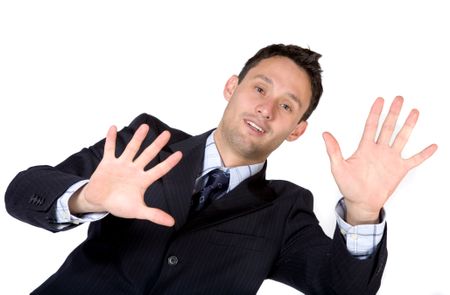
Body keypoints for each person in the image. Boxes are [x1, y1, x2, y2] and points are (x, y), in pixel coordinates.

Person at [5, 44, 437, 295]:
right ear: (232, 87)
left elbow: (342, 289)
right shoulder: (149, 141)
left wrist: (362, 212)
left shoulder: (286, 209)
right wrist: (86, 198)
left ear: (296, 130)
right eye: (259, 88)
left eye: (286, 106)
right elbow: (23, 192)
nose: (266, 109)